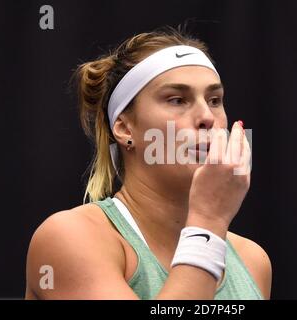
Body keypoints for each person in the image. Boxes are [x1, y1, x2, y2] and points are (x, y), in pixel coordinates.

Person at [25, 26, 272, 300]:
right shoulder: (70, 238)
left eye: (215, 100)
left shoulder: (253, 260)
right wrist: (208, 221)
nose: (207, 117)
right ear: (125, 128)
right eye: (177, 99)